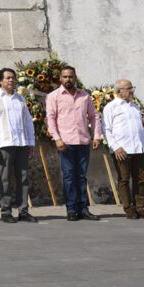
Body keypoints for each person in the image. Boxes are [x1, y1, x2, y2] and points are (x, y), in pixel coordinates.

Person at [46, 66, 104, 222]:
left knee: (81, 176)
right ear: (60, 78)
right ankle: (71, 209)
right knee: (69, 177)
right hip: (65, 142)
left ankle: (83, 208)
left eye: (70, 76)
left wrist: (96, 136)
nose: (68, 79)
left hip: (83, 141)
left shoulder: (84, 96)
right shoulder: (54, 96)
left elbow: (94, 116)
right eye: (65, 77)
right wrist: (57, 138)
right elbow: (50, 119)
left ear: (75, 77)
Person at [0, 68, 38, 223]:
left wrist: (31, 142)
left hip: (21, 143)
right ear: (0, 81)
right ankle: (6, 211)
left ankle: (23, 211)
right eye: (7, 78)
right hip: (4, 143)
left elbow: (28, 121)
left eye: (13, 78)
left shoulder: (20, 98)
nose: (11, 80)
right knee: (5, 178)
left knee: (23, 178)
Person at [101, 80, 144, 220]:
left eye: (132, 88)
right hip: (122, 149)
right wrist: (115, 147)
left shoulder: (135, 107)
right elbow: (106, 129)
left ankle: (140, 207)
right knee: (124, 180)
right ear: (119, 91)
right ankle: (128, 208)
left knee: (140, 180)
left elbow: (141, 129)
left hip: (138, 148)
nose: (132, 91)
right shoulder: (110, 107)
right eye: (129, 88)